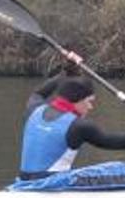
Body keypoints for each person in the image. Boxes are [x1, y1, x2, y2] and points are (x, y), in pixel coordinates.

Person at [15, 53, 125, 189]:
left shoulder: (34, 109)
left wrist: (65, 72)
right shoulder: (79, 126)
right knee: (119, 169)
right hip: (52, 184)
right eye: (89, 102)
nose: (91, 107)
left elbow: (38, 93)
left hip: (22, 181)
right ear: (77, 100)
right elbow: (110, 142)